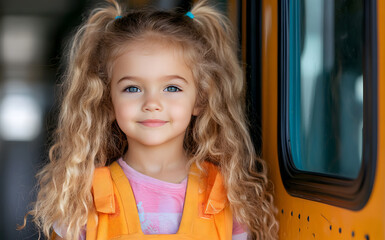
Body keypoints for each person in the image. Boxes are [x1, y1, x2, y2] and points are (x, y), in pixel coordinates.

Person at [24, 0, 278, 239]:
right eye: (133, 88)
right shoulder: (83, 196)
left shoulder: (226, 193)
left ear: (200, 99)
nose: (152, 104)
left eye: (172, 88)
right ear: (107, 101)